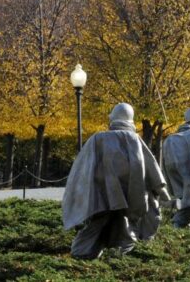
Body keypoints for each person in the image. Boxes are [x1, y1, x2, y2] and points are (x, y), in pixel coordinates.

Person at [62, 103, 169, 259]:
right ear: (130, 120)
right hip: (129, 195)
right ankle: (120, 257)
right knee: (125, 227)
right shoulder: (134, 139)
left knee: (97, 225)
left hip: (101, 195)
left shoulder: (97, 139)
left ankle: (82, 254)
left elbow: (82, 169)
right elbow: (150, 167)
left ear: (113, 118)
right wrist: (161, 190)